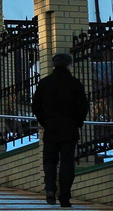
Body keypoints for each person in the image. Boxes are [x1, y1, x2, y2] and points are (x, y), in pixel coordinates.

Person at [32, 52, 89, 208]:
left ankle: (50, 188)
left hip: (51, 128)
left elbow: (36, 105)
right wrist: (78, 122)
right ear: (68, 64)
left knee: (50, 161)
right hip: (69, 128)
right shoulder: (74, 83)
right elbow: (83, 106)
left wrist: (45, 121)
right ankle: (65, 197)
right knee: (67, 162)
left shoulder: (45, 83)